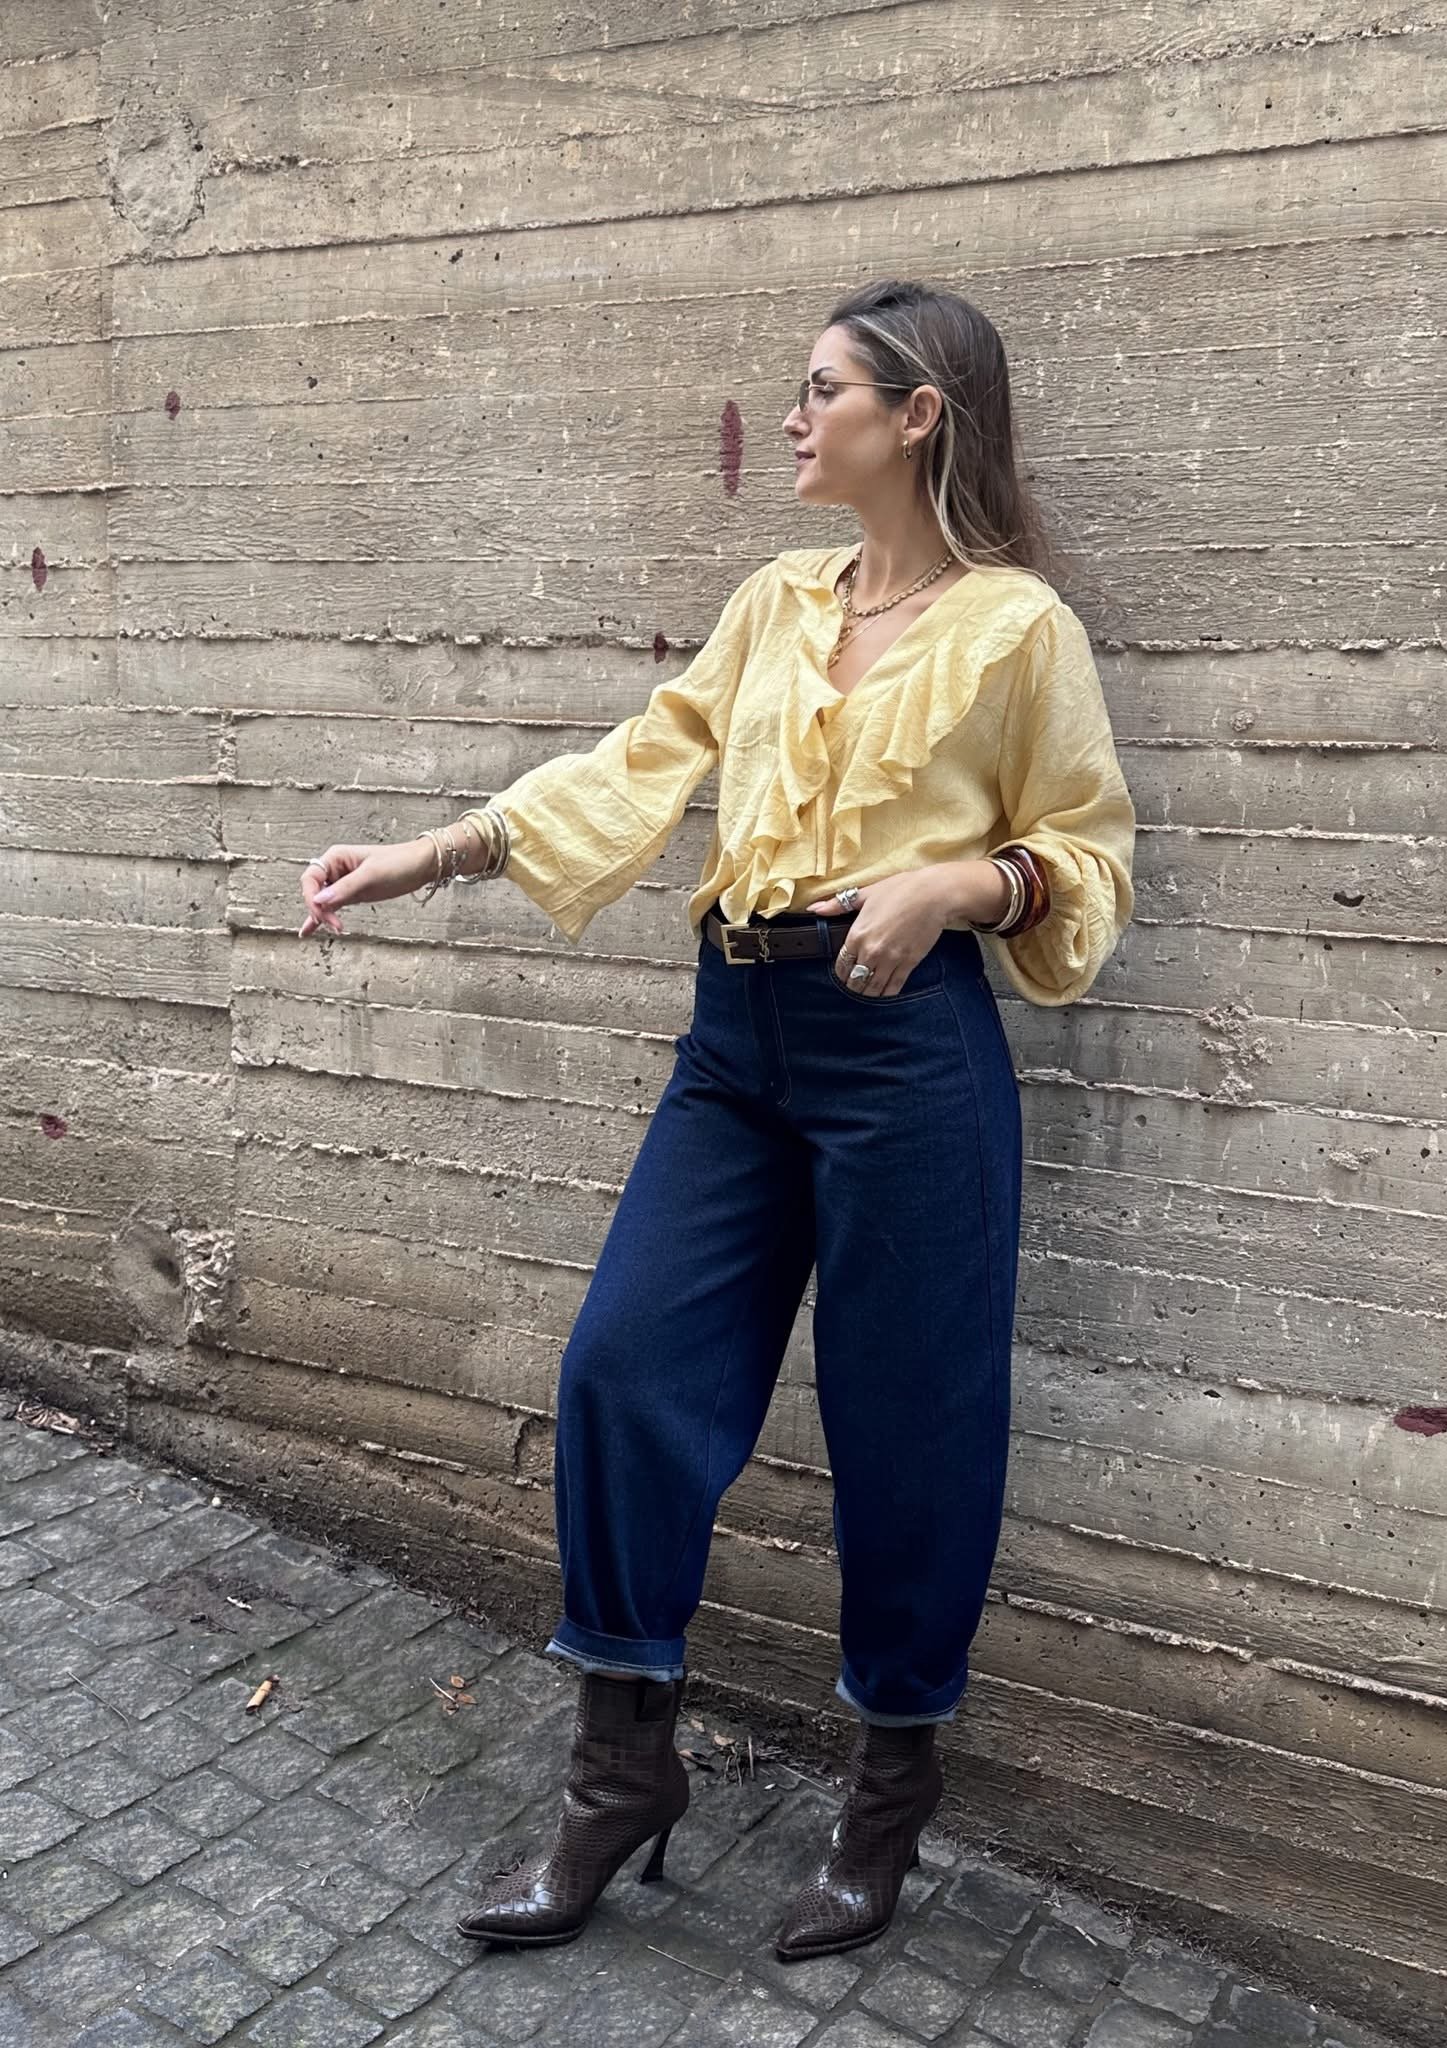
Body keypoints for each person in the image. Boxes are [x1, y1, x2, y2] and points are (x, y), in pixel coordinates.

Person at [297, 278, 1135, 1963]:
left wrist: (962, 883)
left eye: (825, 390)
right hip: (735, 1040)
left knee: (912, 1428)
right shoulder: (775, 603)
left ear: (919, 415)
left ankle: (887, 1798)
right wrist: (433, 855)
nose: (795, 416)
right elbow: (644, 757)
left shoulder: (1017, 629)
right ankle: (622, 1774)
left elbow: (1091, 849)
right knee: (622, 1371)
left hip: (906, 1058)